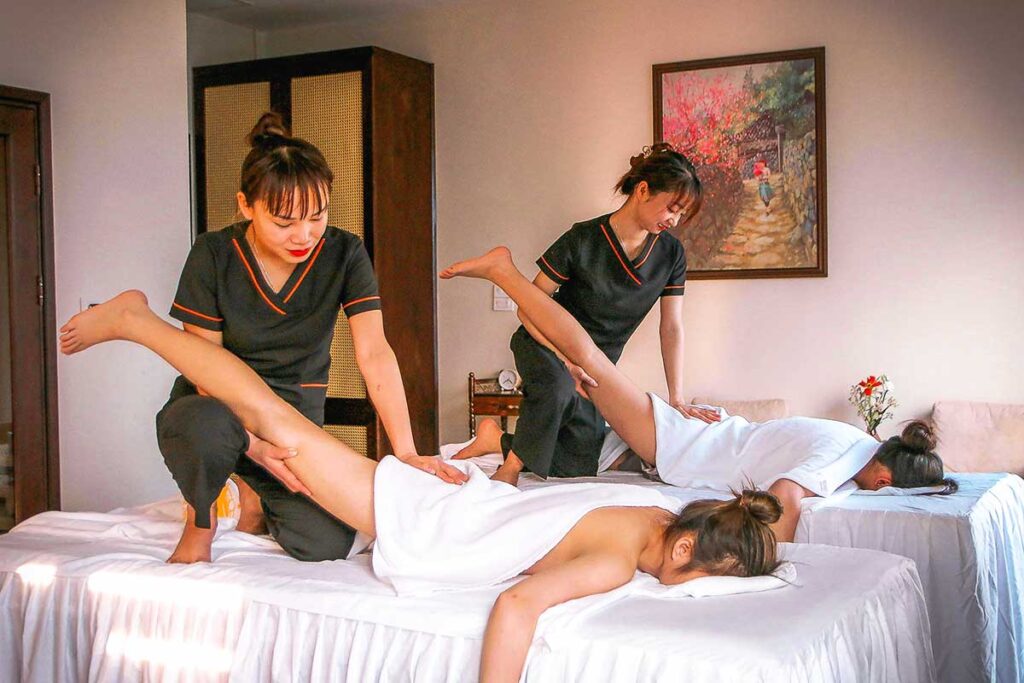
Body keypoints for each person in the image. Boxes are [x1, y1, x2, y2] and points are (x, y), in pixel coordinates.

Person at [58, 291, 782, 683]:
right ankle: (138, 321)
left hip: (441, 505)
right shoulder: (622, 556)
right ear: (685, 545)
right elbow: (518, 604)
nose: (683, 587)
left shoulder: (656, 505)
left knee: (274, 434)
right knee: (266, 415)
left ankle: (242, 501)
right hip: (420, 515)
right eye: (696, 578)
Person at [438, 246, 957, 543]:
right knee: (588, 358)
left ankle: (495, 440)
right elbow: (785, 498)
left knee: (576, 453)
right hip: (680, 442)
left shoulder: (852, 439)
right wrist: (771, 558)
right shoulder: (842, 454)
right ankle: (505, 271)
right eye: (879, 490)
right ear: (884, 478)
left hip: (686, 443)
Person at [158, 112, 464, 564]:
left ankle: (255, 499)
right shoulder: (213, 254)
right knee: (205, 426)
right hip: (215, 413)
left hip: (291, 419)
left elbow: (375, 352)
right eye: (284, 222)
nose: (303, 236)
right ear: (246, 205)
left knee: (325, 543)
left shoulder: (344, 252)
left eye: (316, 216)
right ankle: (199, 521)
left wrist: (406, 451)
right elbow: (204, 365)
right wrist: (252, 446)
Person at [456, 143, 719, 486]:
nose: (674, 220)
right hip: (544, 343)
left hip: (598, 368)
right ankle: (509, 470)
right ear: (643, 190)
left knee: (578, 462)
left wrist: (678, 398)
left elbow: (671, 327)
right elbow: (528, 308)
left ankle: (495, 439)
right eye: (672, 208)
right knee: (558, 388)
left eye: (682, 215)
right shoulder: (582, 239)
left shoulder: (671, 254)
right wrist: (567, 360)